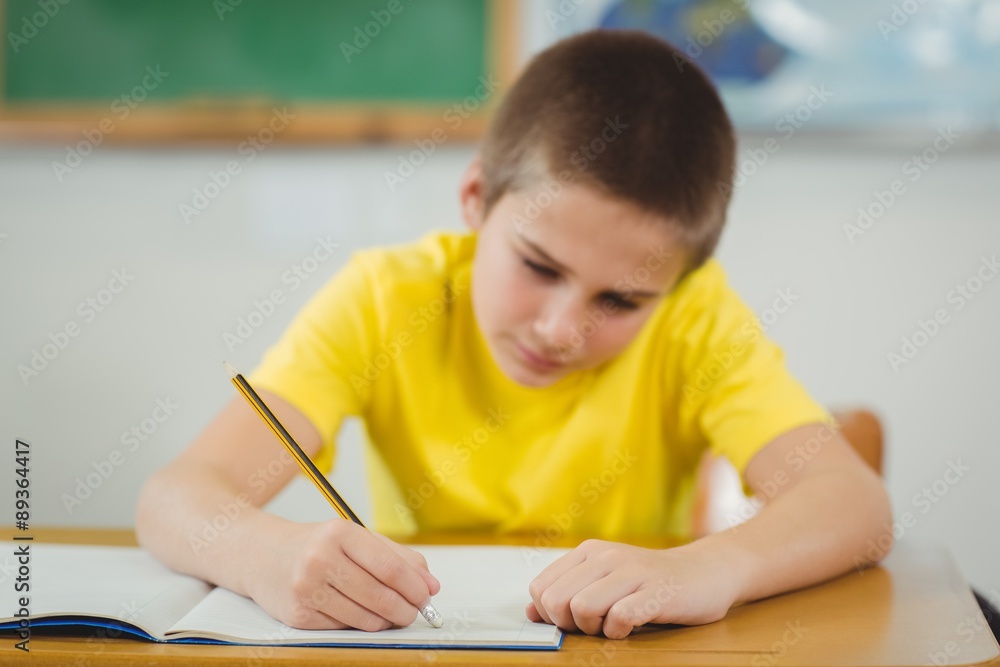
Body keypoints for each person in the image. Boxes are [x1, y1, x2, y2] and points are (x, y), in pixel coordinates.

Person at [135, 30, 892, 639]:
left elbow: (856, 506)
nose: (561, 328)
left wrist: (711, 568)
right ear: (475, 199)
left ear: (676, 283)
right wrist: (263, 551)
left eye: (622, 299)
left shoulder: (693, 315)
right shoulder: (385, 298)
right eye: (537, 264)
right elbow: (176, 497)